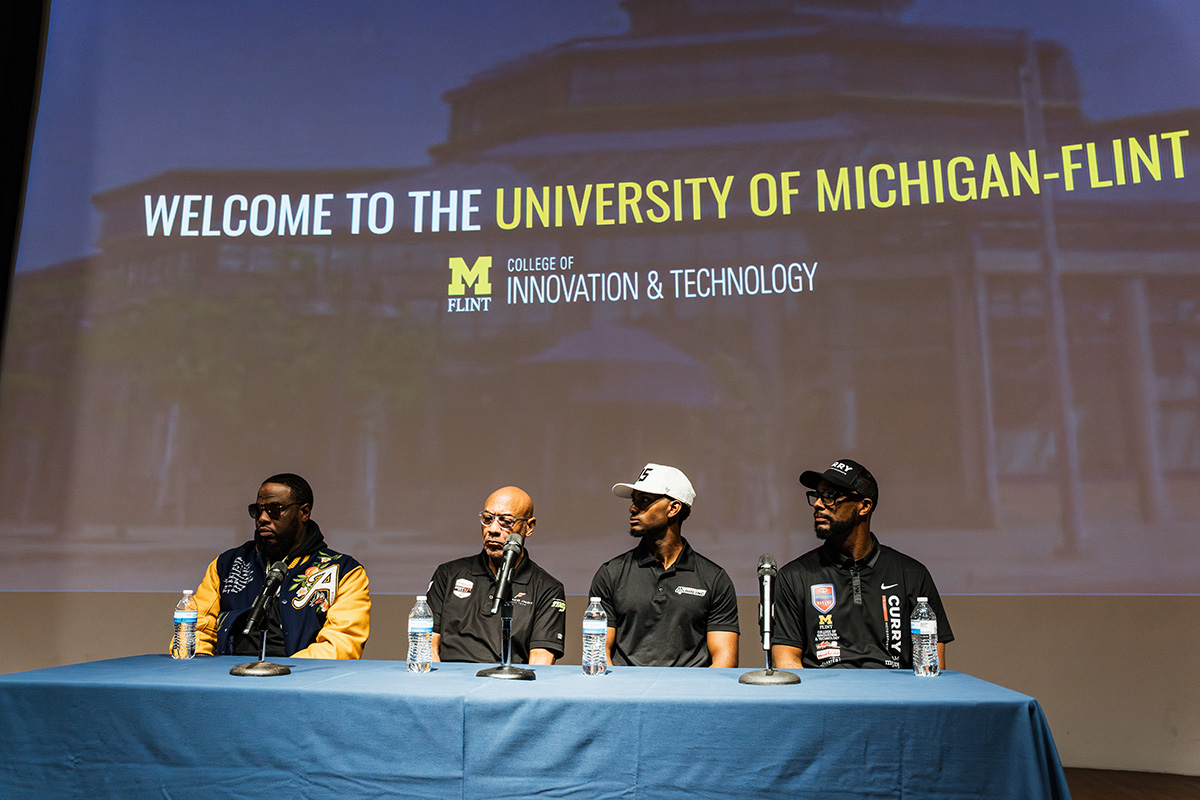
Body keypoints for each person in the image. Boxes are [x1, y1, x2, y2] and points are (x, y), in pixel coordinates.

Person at [771, 458, 953, 669]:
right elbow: (786, 660)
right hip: (823, 697)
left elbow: (931, 662)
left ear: (864, 506)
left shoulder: (912, 574)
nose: (819, 504)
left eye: (830, 496)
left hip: (896, 698)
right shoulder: (794, 576)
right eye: (818, 496)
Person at [189, 473, 370, 659]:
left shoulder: (344, 571)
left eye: (274, 509)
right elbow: (196, 630)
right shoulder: (227, 564)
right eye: (257, 510)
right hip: (228, 679)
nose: (263, 518)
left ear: (304, 512)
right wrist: (201, 670)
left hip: (299, 682)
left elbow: (341, 644)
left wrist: (281, 678)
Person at [589, 463, 739, 668]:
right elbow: (598, 652)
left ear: (674, 508)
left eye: (644, 500)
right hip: (625, 694)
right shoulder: (611, 573)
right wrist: (619, 695)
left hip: (689, 696)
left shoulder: (714, 579)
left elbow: (725, 659)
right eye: (634, 500)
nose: (633, 508)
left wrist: (696, 698)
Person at [426, 486, 566, 664]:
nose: (493, 529)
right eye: (487, 519)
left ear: (529, 527)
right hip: (450, 684)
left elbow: (541, 659)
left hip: (509, 687)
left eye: (506, 521)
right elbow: (427, 644)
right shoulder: (448, 574)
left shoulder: (547, 588)